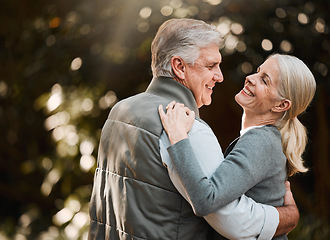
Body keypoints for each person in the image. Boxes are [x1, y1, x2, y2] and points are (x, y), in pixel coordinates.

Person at [88, 18, 299, 240]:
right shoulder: (186, 128)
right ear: (179, 67)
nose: (220, 76)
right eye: (210, 66)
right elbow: (235, 223)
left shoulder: (119, 111)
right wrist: (289, 216)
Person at [158, 53, 316, 239]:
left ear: (281, 105)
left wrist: (178, 137)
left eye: (265, 81)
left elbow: (205, 200)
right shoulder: (263, 139)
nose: (250, 78)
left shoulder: (261, 141)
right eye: (258, 72)